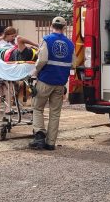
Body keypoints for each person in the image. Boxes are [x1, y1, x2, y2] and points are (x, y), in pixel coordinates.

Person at [29, 16, 74, 151]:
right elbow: (74, 63)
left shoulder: (47, 40)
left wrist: (34, 72)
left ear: (51, 25)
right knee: (55, 113)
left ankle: (39, 136)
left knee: (37, 108)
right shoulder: (70, 44)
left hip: (45, 80)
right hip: (60, 82)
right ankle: (50, 143)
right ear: (64, 27)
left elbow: (42, 60)